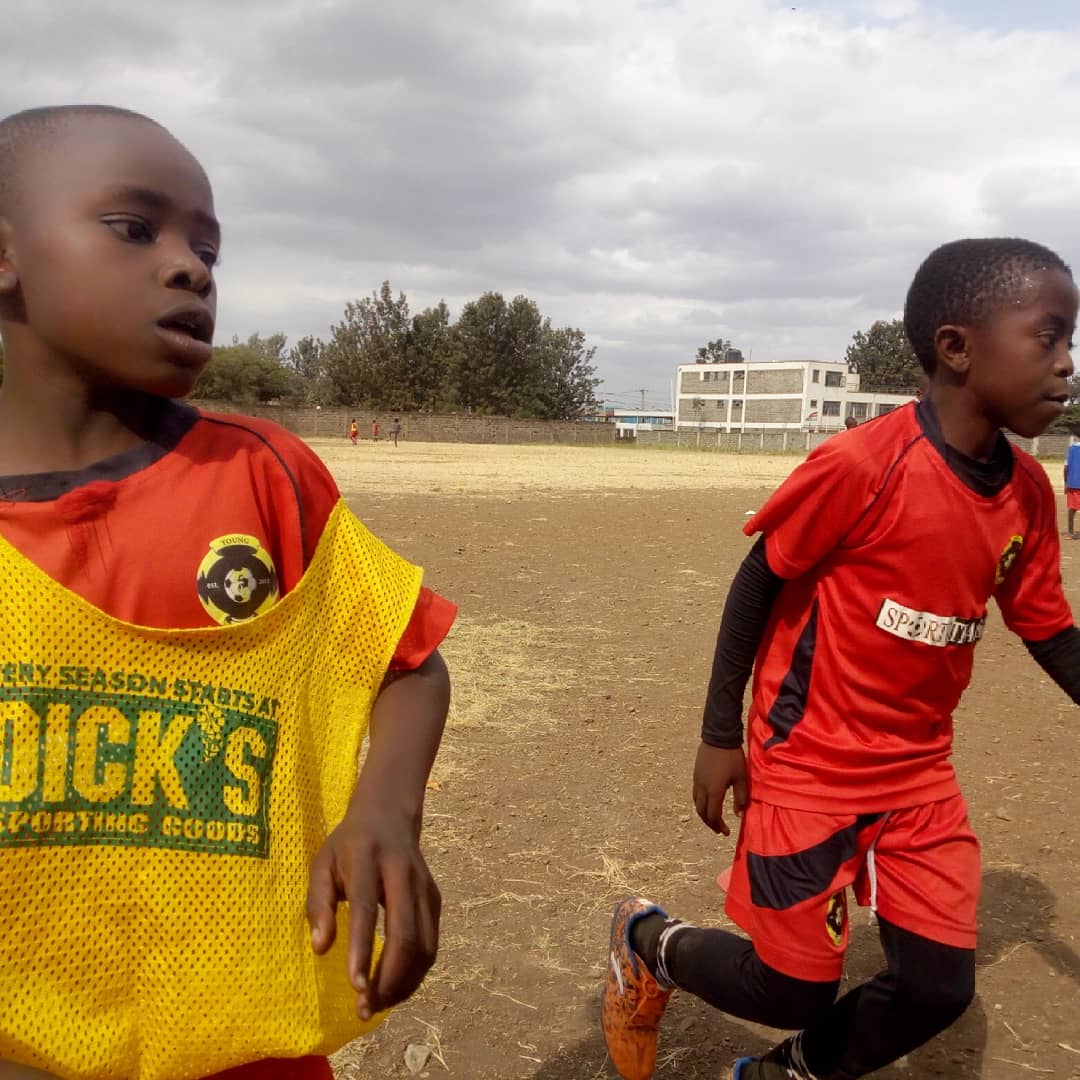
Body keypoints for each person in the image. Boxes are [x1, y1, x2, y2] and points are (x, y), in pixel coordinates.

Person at [0, 105, 455, 1080]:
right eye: (135, 228)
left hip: (250, 1040)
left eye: (207, 246)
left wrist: (386, 810)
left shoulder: (262, 477)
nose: (191, 267)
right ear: (4, 256)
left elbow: (407, 659)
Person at [601, 237, 1080, 1080]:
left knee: (938, 988)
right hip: (808, 766)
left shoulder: (1028, 498)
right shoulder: (864, 465)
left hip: (918, 777)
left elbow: (1047, 630)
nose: (1067, 365)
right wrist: (721, 735)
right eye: (1049, 337)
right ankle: (650, 941)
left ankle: (784, 1074)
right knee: (792, 989)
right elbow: (756, 586)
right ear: (957, 347)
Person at [1064, 432, 1080, 537]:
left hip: (1073, 483)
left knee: (1072, 508)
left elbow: (1066, 468)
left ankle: (1070, 531)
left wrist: (1066, 483)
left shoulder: (1071, 449)